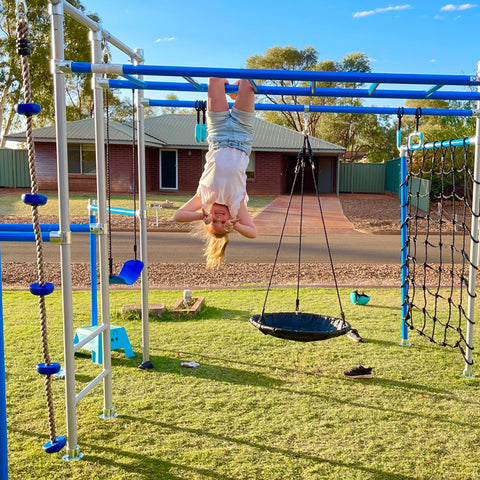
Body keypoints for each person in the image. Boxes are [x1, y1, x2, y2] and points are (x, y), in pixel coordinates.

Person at [173, 77, 257, 268]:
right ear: (229, 220)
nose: (219, 218)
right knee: (247, 81)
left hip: (218, 134)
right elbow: (253, 232)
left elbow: (177, 216)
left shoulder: (203, 199)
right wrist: (236, 225)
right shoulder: (236, 206)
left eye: (213, 221)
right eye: (223, 223)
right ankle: (236, 93)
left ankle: (232, 94)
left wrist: (199, 215)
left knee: (216, 79)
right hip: (242, 135)